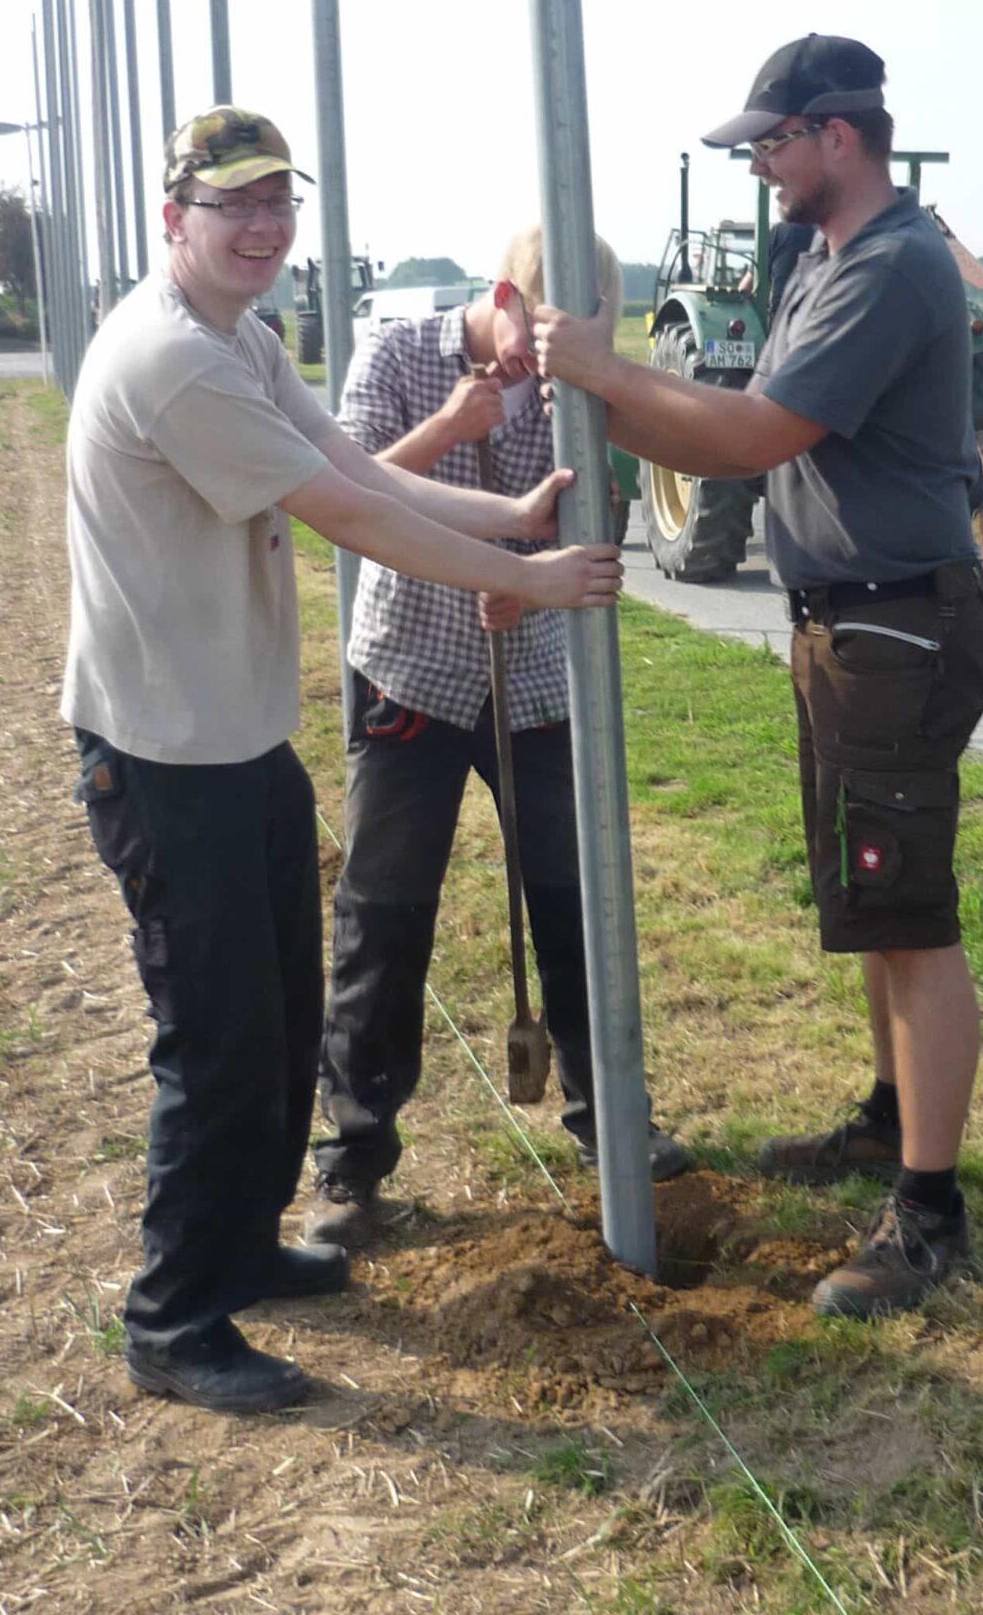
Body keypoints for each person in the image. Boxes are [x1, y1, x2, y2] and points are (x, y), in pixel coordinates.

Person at [63, 104, 621, 1415]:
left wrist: (509, 517)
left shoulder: (241, 338)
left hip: (239, 737)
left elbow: (357, 469)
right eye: (233, 205)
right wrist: (527, 574)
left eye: (279, 203)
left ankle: (245, 1250)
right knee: (214, 1040)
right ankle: (173, 1317)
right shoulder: (174, 361)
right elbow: (349, 516)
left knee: (275, 1021)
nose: (263, 228)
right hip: (165, 750)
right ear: (175, 219)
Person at [535, 34, 983, 1319]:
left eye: (773, 144)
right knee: (871, 904)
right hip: (847, 627)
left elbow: (755, 433)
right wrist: (599, 400)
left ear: (837, 136)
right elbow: (730, 427)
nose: (760, 167)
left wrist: (603, 371)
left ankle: (930, 1214)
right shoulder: (820, 259)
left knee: (910, 917)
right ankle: (892, 1119)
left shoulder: (892, 267)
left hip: (897, 627)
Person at [302, 229, 692, 1251]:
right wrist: (449, 425)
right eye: (546, 335)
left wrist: (527, 580)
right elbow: (341, 490)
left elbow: (595, 519)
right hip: (411, 675)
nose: (555, 360)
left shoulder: (575, 389)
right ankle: (352, 1159)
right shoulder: (397, 355)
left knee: (576, 905)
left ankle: (610, 1120)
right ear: (505, 298)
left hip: (536, 684)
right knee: (383, 916)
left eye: (582, 342)